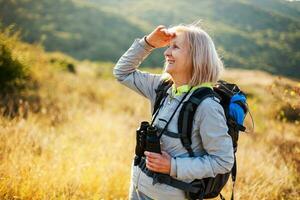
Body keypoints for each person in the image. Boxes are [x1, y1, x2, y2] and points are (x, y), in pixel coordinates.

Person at [113, 23, 234, 200]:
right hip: (138, 189)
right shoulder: (163, 87)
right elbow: (121, 72)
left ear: (196, 56)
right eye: (168, 46)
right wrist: (148, 43)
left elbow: (223, 161)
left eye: (175, 47)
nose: (166, 53)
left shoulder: (207, 106)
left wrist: (173, 166)